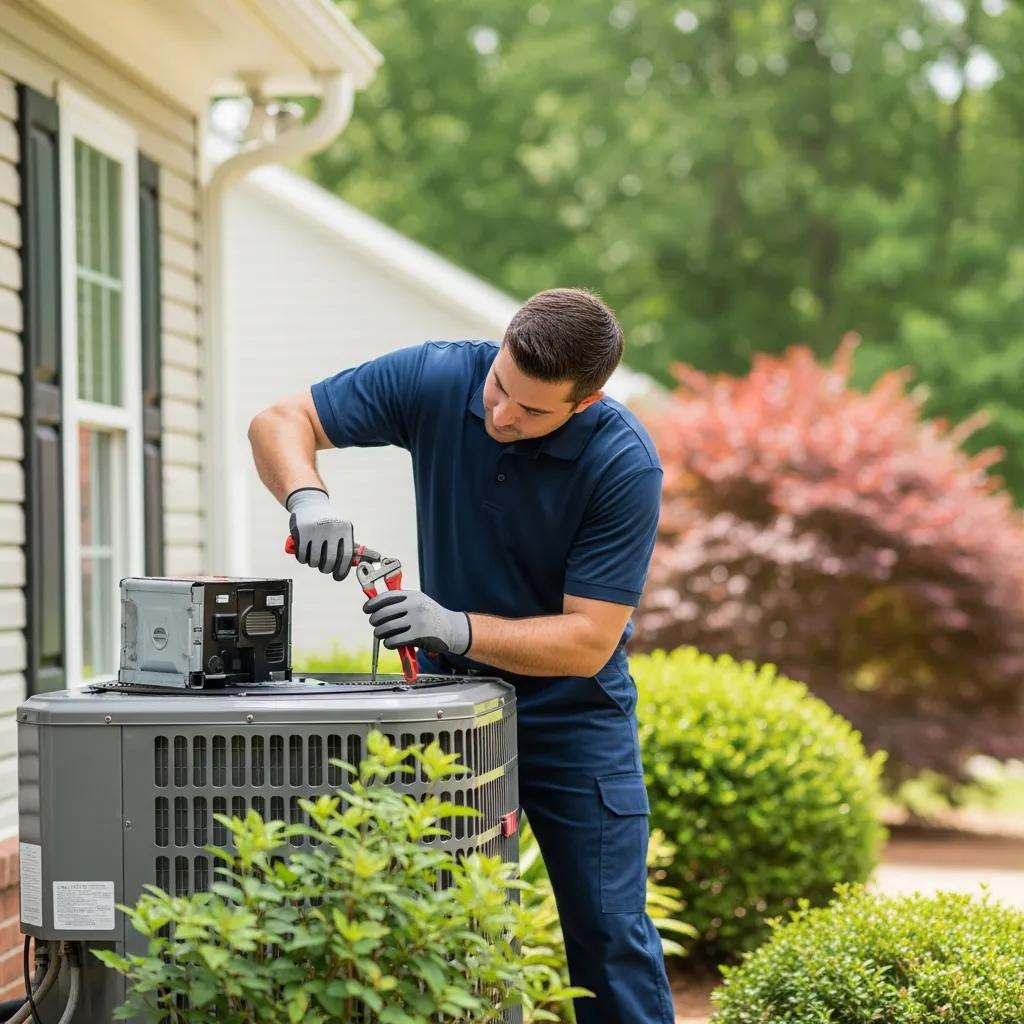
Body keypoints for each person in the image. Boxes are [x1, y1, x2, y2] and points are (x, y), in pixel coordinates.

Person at [247, 287, 674, 1023]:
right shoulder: (440, 377)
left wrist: (455, 626)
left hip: (573, 719)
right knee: (432, 921)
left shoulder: (623, 465)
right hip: (450, 714)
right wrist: (307, 498)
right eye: (500, 386)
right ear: (499, 348)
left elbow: (588, 640)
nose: (502, 415)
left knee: (610, 937)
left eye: (531, 410)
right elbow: (280, 420)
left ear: (587, 401)